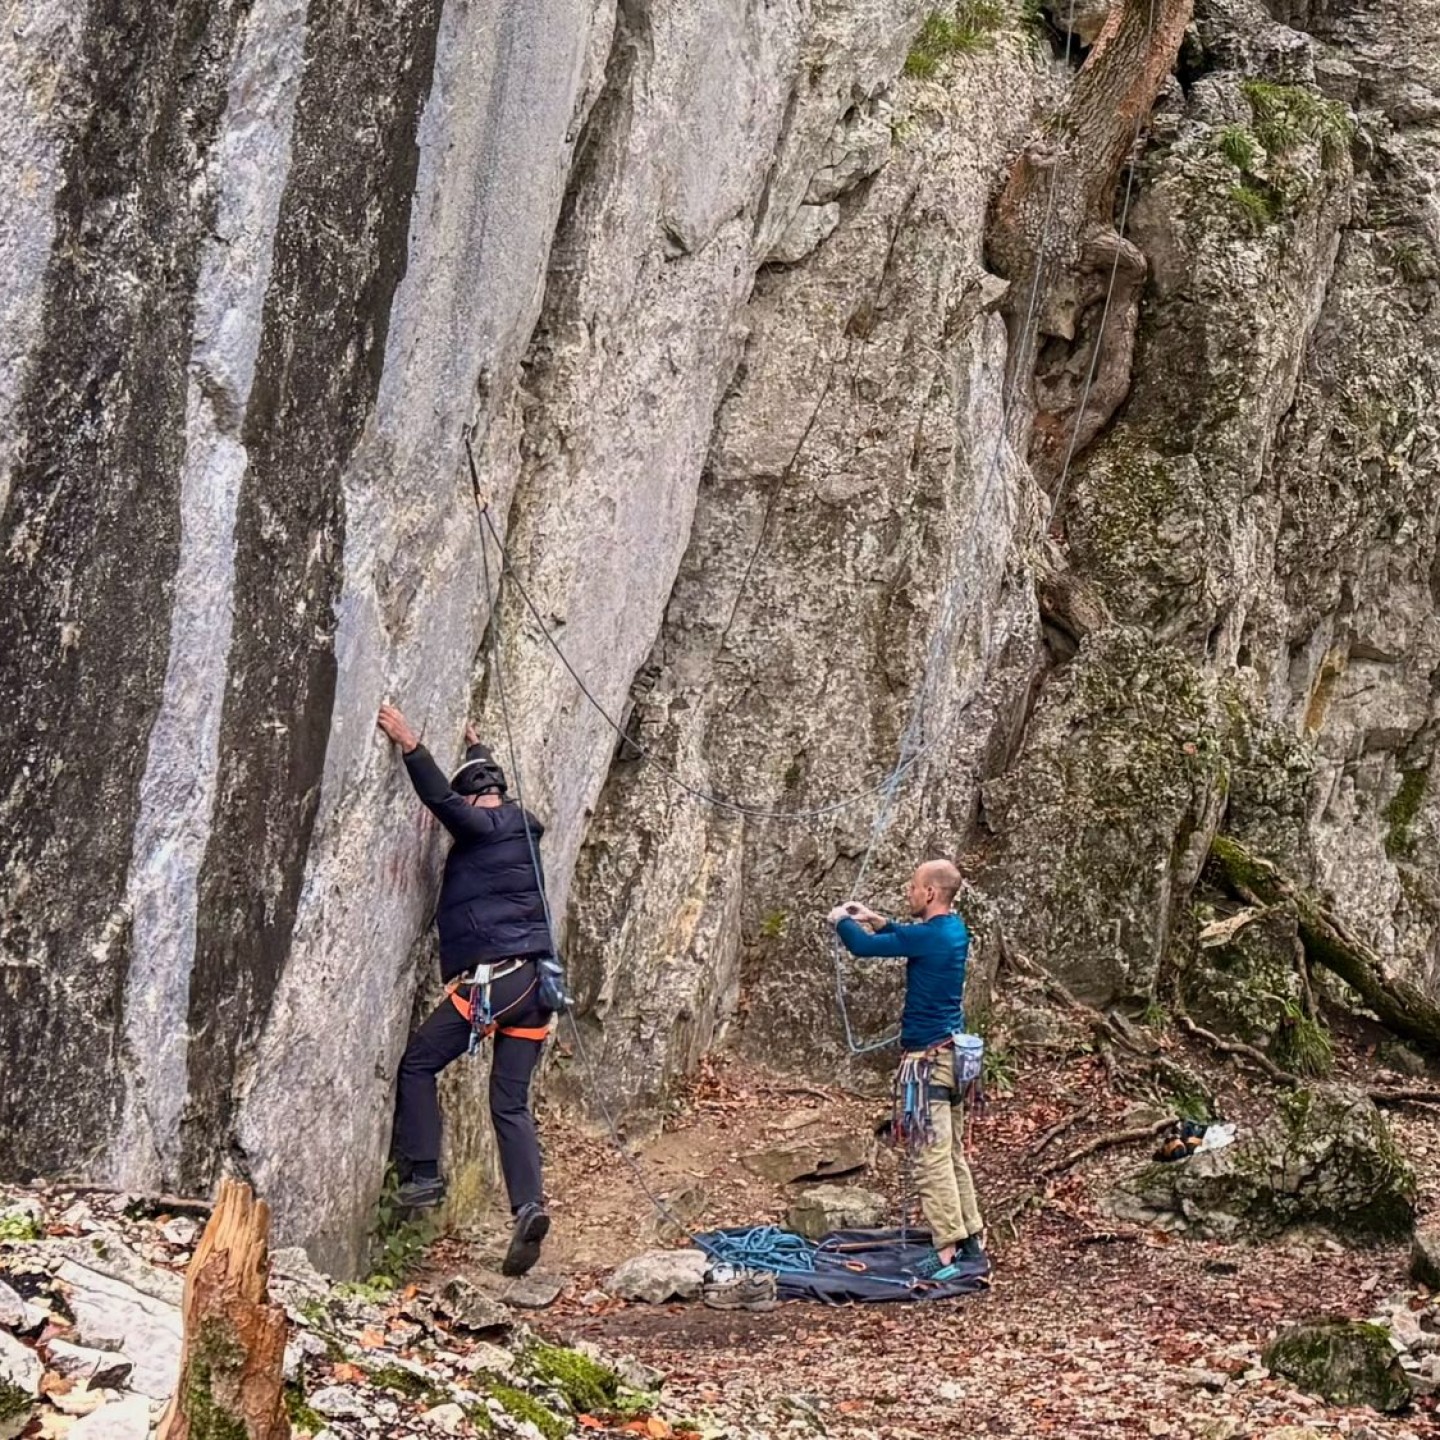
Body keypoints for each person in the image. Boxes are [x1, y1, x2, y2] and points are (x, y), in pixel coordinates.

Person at [377, 702, 555, 1277]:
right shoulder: (520, 828)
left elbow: (444, 801)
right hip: (538, 986)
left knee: (420, 1062)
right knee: (509, 1102)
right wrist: (477, 746)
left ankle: (424, 1175)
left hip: (496, 981)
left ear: (477, 799)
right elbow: (477, 791)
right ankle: (528, 1207)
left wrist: (411, 744)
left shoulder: (483, 824)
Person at [828, 858, 984, 1280]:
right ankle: (971, 1238)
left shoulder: (931, 937)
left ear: (931, 893)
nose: (908, 891)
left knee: (931, 1158)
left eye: (914, 886)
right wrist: (879, 920)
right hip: (955, 1061)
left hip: (929, 1064)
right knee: (952, 1155)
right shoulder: (953, 930)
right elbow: (912, 936)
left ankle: (948, 1249)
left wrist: (841, 920)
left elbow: (861, 948)